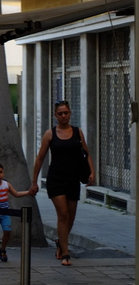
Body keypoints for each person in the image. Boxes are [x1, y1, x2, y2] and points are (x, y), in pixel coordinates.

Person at [30, 100, 94, 267]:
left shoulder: (77, 132)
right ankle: (66, 253)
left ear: (70, 113)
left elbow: (86, 153)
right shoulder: (50, 134)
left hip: (73, 178)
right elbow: (39, 158)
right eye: (60, 113)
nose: (64, 116)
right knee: (63, 214)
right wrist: (34, 182)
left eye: (66, 113)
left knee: (71, 216)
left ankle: (60, 242)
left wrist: (92, 172)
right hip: (56, 178)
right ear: (55, 115)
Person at [0, 161, 30, 263]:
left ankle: (2, 249)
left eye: (0, 172)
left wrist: (28, 192)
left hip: (5, 214)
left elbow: (16, 194)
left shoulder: (6, 184)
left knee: (7, 231)